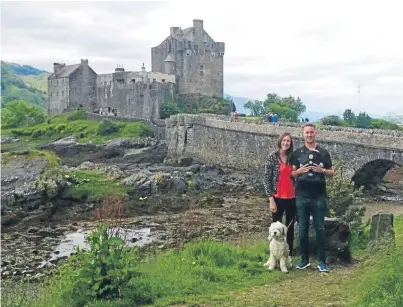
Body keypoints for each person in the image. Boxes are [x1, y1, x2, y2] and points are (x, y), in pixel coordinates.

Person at [290, 123, 335, 272]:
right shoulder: (297, 153)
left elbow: (332, 172)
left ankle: (322, 261)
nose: (309, 135)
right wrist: (300, 171)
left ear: (315, 134)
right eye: (307, 133)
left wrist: (322, 170)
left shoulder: (323, 153)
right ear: (303, 134)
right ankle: (304, 259)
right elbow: (292, 173)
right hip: (301, 196)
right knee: (302, 230)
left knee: (320, 229)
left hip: (319, 196)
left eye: (311, 133)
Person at [263, 132, 296, 256]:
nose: (286, 143)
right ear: (280, 141)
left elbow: (296, 174)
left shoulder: (293, 157)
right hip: (277, 197)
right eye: (284, 141)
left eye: (288, 141)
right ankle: (274, 253)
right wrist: (271, 199)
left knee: (290, 227)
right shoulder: (272, 157)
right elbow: (266, 179)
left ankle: (289, 253)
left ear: (291, 144)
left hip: (292, 197)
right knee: (275, 228)